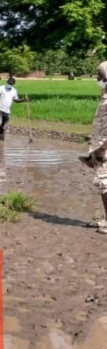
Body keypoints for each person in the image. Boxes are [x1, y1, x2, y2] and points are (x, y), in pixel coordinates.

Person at [78, 61, 107, 233]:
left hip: (104, 149)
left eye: (99, 76)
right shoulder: (105, 95)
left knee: (105, 184)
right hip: (99, 146)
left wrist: (103, 148)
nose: (97, 79)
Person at [0, 77, 27, 141]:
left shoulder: (14, 91)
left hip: (7, 111)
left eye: (11, 84)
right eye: (8, 83)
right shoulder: (1, 88)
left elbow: (15, 100)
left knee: (4, 127)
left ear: (13, 85)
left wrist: (23, 100)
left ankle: (1, 140)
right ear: (6, 82)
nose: (9, 85)